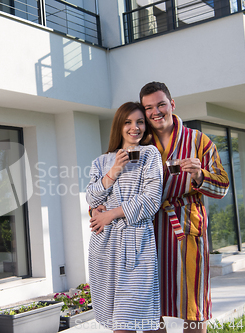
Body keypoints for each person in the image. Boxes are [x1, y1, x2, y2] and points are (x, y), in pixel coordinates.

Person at [139, 82, 230, 333]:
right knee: (151, 308)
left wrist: (200, 175)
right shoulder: (139, 143)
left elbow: (223, 186)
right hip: (148, 233)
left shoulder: (199, 141)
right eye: (148, 108)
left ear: (172, 104)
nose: (155, 112)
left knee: (193, 306)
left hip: (186, 229)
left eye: (160, 104)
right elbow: (119, 182)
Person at [86, 102, 163, 332]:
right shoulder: (101, 162)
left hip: (137, 245)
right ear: (119, 126)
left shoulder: (150, 154)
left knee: (131, 321)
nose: (135, 127)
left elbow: (151, 200)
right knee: (125, 322)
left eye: (140, 122)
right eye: (128, 122)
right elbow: (91, 198)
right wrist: (114, 171)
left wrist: (110, 214)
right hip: (105, 247)